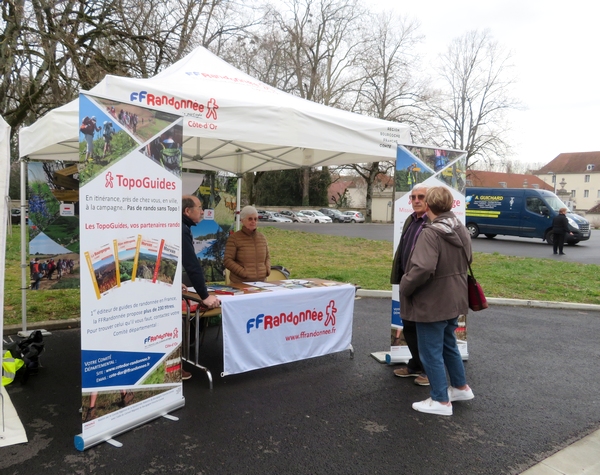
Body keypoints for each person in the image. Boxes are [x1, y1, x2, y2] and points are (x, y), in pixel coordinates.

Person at [400, 186, 474, 416]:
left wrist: (405, 285)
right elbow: (468, 259)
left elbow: (423, 267)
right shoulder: (460, 228)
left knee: (430, 352)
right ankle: (460, 387)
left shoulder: (430, 232)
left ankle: (440, 400)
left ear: (429, 206)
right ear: (451, 205)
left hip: (432, 301)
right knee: (448, 345)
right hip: (455, 297)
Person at [390, 184, 429, 386]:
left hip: (425, 285)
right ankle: (415, 365)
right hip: (408, 282)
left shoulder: (433, 222)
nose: (416, 200)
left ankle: (430, 371)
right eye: (413, 197)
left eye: (420, 196)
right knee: (409, 327)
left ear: (429, 199)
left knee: (426, 331)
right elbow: (403, 249)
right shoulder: (411, 220)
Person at [182, 195, 221, 380]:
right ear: (187, 211)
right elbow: (191, 264)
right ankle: (173, 368)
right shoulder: (182, 229)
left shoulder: (183, 227)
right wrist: (204, 296)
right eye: (199, 207)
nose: (202, 211)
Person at [224, 206, 271, 284]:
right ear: (242, 220)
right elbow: (227, 260)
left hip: (262, 283)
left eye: (255, 219)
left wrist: (267, 270)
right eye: (250, 219)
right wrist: (244, 273)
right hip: (240, 284)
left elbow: (267, 257)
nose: (253, 221)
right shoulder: (234, 238)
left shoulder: (262, 237)